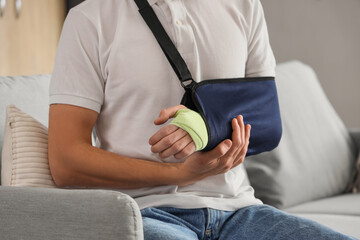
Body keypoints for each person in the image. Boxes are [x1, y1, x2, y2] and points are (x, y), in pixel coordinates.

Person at [48, 0, 356, 239]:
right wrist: (180, 174)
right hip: (144, 212)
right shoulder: (91, 18)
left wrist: (203, 128)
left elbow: (265, 122)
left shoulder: (243, 6)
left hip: (239, 210)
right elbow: (65, 162)